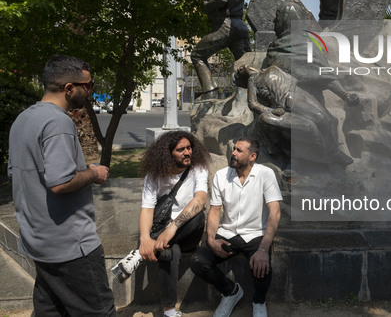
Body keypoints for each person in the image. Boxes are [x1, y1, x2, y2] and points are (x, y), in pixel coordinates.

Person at [8, 55, 115, 316]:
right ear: (69, 88)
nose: (90, 92)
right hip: (71, 246)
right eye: (88, 86)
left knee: (51, 312)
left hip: (38, 242)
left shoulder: (23, 119)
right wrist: (94, 174)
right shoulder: (58, 122)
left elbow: (20, 174)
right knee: (99, 311)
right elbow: (60, 182)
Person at [111, 131, 210, 317]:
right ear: (168, 153)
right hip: (162, 231)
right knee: (168, 251)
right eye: (181, 149)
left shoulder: (198, 168)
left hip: (187, 231)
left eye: (189, 148)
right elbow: (147, 209)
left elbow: (200, 200)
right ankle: (169, 310)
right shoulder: (154, 174)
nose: (187, 152)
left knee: (197, 216)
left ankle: (138, 256)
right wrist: (145, 239)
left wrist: (172, 229)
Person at [190, 138, 282, 317]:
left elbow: (275, 212)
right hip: (228, 233)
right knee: (198, 261)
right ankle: (231, 292)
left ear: (252, 156)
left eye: (239, 150)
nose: (233, 153)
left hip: (256, 234)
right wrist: (211, 239)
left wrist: (263, 249)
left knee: (262, 266)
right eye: (234, 149)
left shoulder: (266, 174)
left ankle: (259, 302)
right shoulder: (221, 175)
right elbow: (215, 210)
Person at [233, 64, 354, 166]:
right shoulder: (252, 80)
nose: (243, 67)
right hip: (284, 105)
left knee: (322, 118)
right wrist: (271, 111)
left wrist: (291, 93)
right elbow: (253, 104)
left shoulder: (271, 67)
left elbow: (293, 78)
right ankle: (325, 157)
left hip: (296, 94)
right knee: (311, 125)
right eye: (240, 70)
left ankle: (335, 153)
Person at [191, 0, 251, 100]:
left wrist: (207, 3)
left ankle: (209, 92)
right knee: (247, 65)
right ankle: (254, 93)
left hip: (225, 25)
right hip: (240, 26)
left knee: (197, 55)